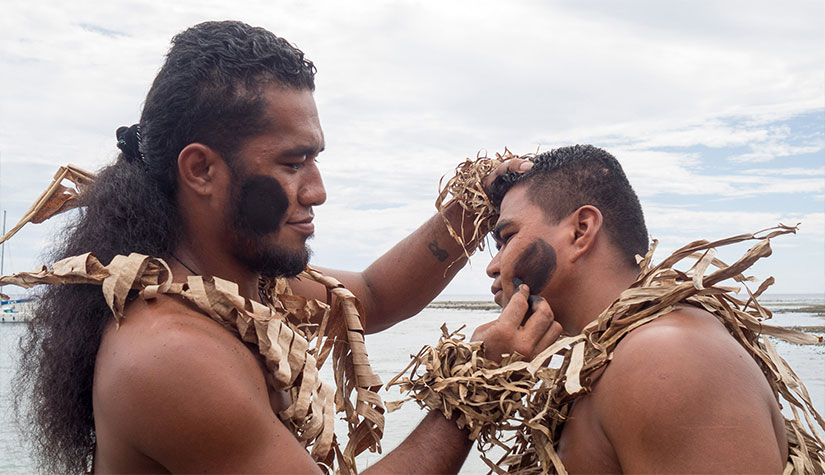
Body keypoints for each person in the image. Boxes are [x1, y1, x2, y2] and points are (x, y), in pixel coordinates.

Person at [10, 21, 562, 474]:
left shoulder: (236, 291)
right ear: (200, 169)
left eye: (314, 160)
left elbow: (371, 295)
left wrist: (475, 201)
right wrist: (476, 382)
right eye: (292, 164)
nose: (317, 190)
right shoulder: (170, 353)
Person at [483, 144, 793, 473]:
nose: (493, 266)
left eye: (507, 238)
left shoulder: (663, 358)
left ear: (581, 231)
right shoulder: (609, 359)